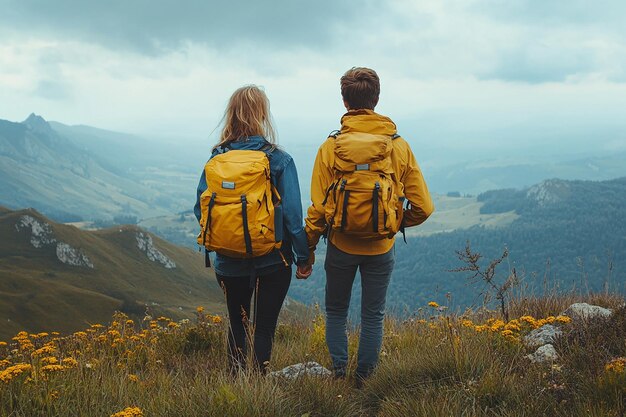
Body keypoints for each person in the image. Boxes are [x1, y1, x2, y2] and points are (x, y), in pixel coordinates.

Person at [304, 67, 434, 384]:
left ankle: (337, 374)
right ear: (376, 99)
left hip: (340, 245)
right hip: (381, 248)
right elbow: (424, 208)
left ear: (345, 101)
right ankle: (364, 381)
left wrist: (306, 251)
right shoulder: (398, 146)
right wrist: (393, 222)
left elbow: (319, 209)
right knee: (372, 315)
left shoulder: (331, 147)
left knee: (336, 311)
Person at [193, 85, 310, 374]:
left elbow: (201, 209)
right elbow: (294, 218)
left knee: (236, 324)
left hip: (228, 261)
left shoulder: (216, 159)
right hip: (273, 259)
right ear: (262, 114)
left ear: (231, 114)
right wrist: (304, 257)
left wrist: (227, 237)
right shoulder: (278, 159)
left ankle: (235, 385)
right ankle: (258, 386)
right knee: (264, 328)